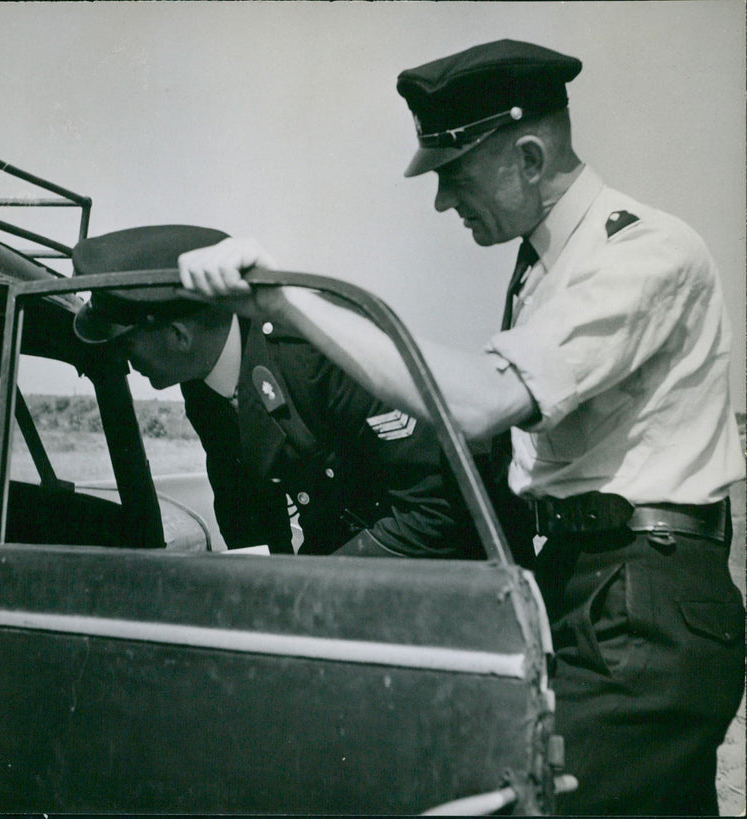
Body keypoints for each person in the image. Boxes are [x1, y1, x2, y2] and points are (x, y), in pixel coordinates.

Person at [174, 40, 746, 816]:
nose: (445, 202)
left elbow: (479, 402)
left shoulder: (642, 253)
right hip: (590, 580)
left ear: (532, 156)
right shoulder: (549, 267)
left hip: (641, 602)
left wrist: (285, 303)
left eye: (456, 174)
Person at [72, 224, 479, 560]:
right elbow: (244, 506)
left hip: (455, 571)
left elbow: (437, 509)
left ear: (179, 336)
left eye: (125, 344)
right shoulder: (204, 385)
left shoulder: (319, 351)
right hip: (350, 564)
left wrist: (309, 587)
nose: (124, 362)